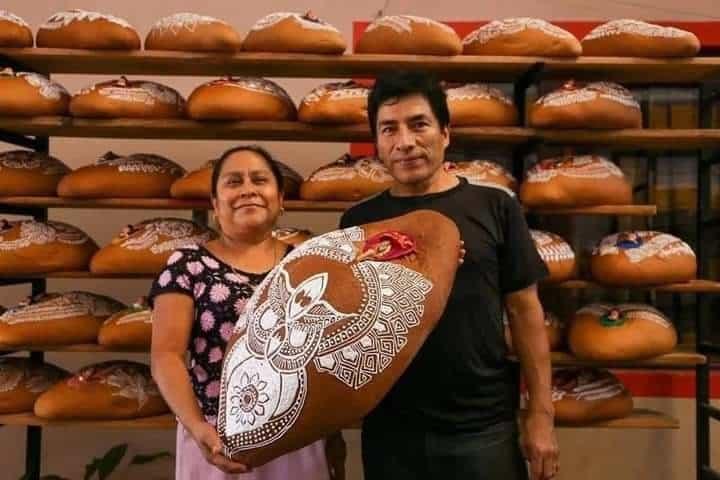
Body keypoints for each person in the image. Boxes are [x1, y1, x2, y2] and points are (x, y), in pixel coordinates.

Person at [339, 72, 559, 480]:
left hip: (482, 429)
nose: (405, 141)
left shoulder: (495, 207)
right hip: (391, 432)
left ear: (445, 133)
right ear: (377, 144)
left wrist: (541, 415)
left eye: (418, 124)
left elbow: (526, 314)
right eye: (389, 129)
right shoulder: (358, 222)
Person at [148, 145, 345, 480]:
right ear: (215, 203)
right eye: (233, 182)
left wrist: (333, 433)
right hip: (216, 438)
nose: (247, 190)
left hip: (297, 436)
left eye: (260, 180)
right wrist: (197, 428)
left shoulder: (308, 265)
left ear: (280, 198)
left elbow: (323, 358)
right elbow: (166, 355)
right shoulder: (187, 265)